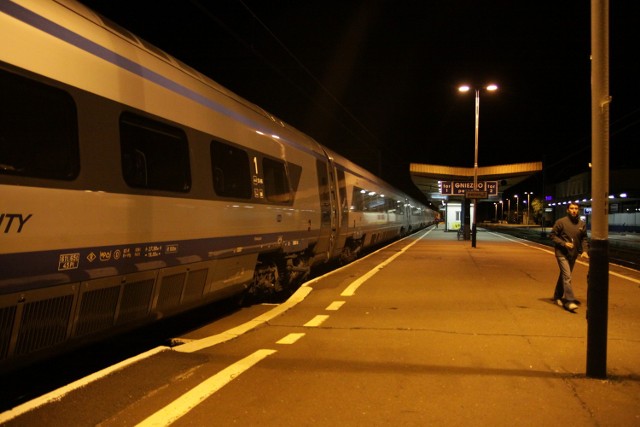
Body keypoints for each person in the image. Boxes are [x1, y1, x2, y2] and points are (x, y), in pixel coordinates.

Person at [549, 202, 589, 311]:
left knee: (564, 275)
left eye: (576, 208)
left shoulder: (582, 224)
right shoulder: (561, 222)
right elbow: (552, 235)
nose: (574, 210)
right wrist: (563, 243)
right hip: (561, 253)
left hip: (573, 254)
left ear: (578, 210)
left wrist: (585, 251)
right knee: (567, 276)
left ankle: (557, 296)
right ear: (567, 210)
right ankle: (569, 300)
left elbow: (584, 239)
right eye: (572, 208)